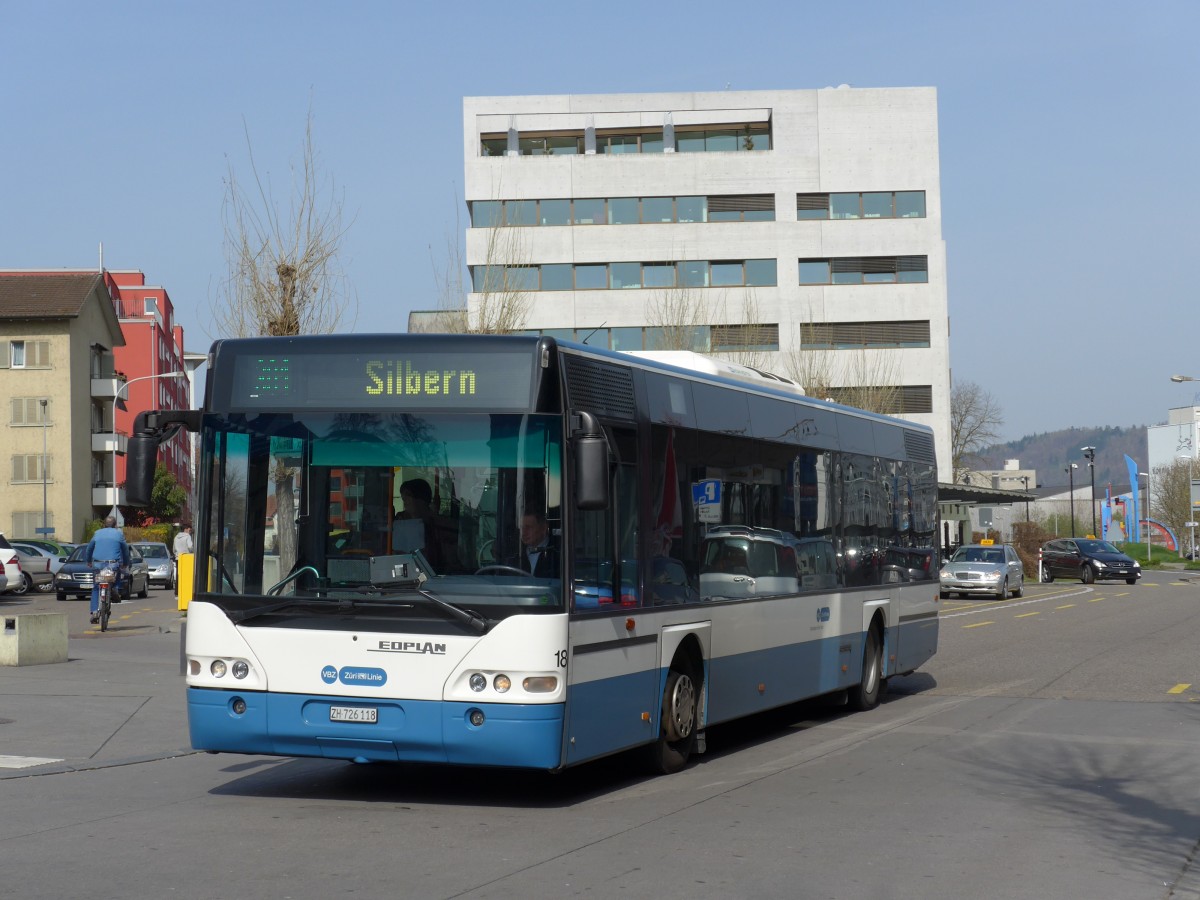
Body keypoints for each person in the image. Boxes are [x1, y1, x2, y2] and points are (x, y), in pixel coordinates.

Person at [85, 515, 130, 625]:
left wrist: (89, 561)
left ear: (104, 524)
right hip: (112, 565)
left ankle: (95, 612)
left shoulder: (97, 533)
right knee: (118, 573)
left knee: (96, 588)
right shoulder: (118, 534)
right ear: (115, 525)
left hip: (98, 564)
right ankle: (115, 588)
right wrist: (125, 563)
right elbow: (125, 550)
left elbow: (89, 548)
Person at [395, 478, 442, 569]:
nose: (405, 504)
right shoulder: (400, 521)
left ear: (421, 499)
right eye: (404, 500)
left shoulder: (437, 523)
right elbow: (397, 552)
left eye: (408, 498)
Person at [518, 510, 559, 577]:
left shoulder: (559, 556)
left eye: (528, 527)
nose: (523, 532)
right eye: (522, 527)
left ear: (544, 528)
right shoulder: (514, 556)